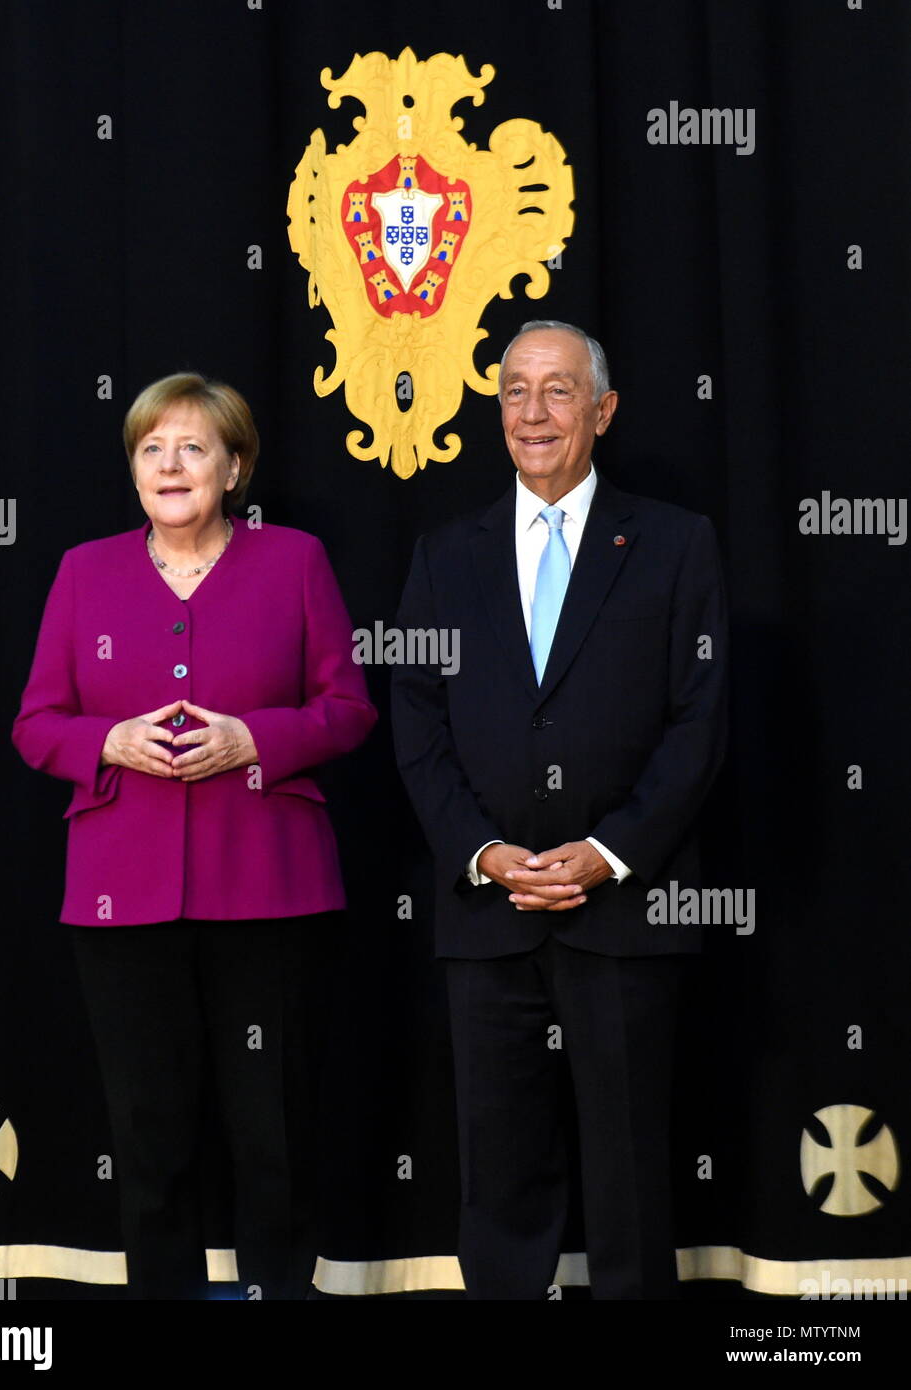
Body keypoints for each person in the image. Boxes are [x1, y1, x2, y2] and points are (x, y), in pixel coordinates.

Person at [11, 372, 377, 1299]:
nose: (170, 465)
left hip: (267, 887)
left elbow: (348, 709)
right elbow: (36, 723)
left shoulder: (293, 560)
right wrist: (112, 741)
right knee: (150, 1137)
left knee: (275, 1137)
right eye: (151, 448)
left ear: (235, 466)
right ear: (133, 469)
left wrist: (254, 738)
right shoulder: (83, 571)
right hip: (122, 896)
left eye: (193, 447)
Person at [390, 321, 728, 1299]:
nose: (532, 413)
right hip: (487, 916)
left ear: (602, 410)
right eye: (514, 392)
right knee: (497, 1187)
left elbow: (697, 723)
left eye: (557, 391)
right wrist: (484, 852)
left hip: (621, 915)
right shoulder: (441, 555)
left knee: (629, 1186)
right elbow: (414, 727)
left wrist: (606, 852)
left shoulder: (673, 544)